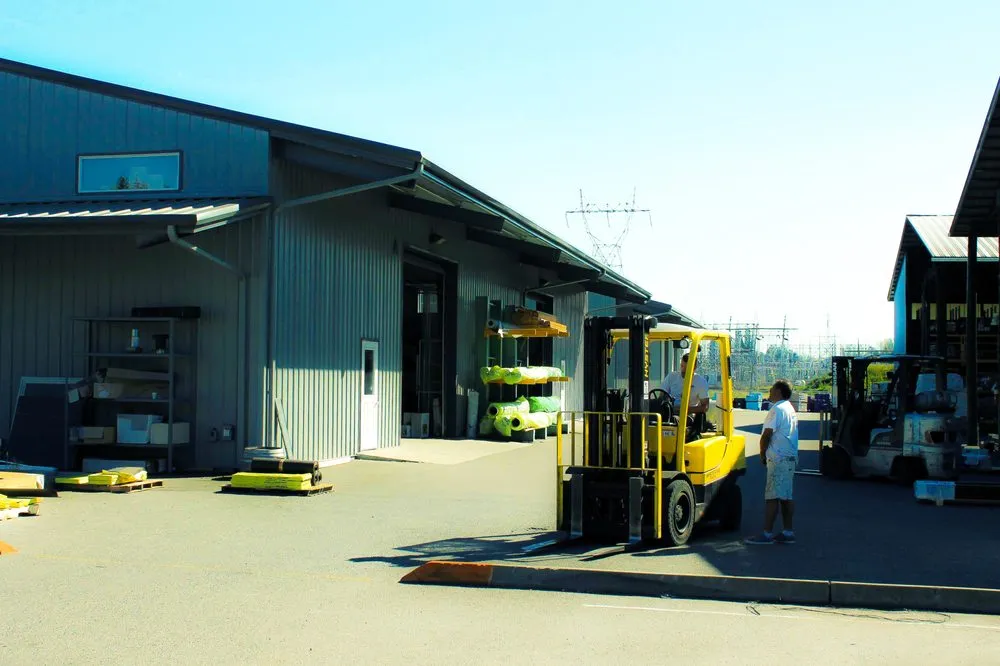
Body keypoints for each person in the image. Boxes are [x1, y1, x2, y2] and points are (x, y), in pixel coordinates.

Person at [745, 379, 799, 545]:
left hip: (778, 459)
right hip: (789, 458)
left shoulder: (776, 409)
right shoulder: (789, 408)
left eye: (772, 389)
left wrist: (762, 453)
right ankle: (788, 532)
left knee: (772, 497)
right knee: (786, 496)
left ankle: (767, 534)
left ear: (779, 392)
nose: (769, 391)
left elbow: (767, 434)